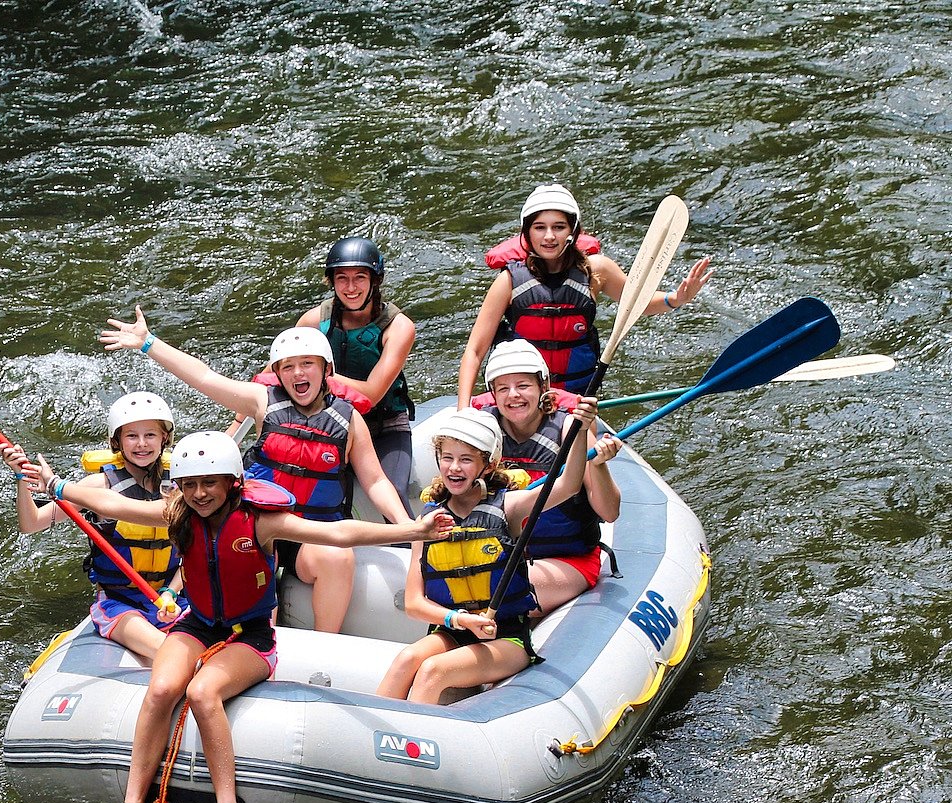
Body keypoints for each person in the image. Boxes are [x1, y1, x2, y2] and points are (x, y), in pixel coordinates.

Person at [24, 430, 453, 803]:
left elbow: (338, 534)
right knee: (160, 690)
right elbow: (118, 505)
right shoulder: (178, 513)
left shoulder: (261, 521)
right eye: (189, 484)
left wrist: (413, 529)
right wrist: (57, 486)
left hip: (250, 636)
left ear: (232, 481)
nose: (199, 493)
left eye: (209, 483)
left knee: (202, 691)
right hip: (198, 625)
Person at [101, 312, 413, 635]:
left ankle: (324, 643)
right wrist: (148, 343)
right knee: (240, 550)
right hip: (259, 526)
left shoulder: (348, 420)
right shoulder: (262, 401)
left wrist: (408, 527)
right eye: (288, 366)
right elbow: (205, 378)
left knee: (338, 557)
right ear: (277, 374)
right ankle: (246, 641)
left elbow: (375, 481)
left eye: (307, 363)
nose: (298, 373)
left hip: (312, 535)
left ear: (326, 370)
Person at [376, 403, 596, 705]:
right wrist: (459, 620)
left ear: (488, 465)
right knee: (406, 659)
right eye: (447, 458)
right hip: (454, 629)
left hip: (507, 637)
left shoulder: (510, 507)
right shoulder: (428, 522)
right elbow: (414, 603)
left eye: (466, 460)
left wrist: (581, 430)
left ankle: (408, 750)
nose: (454, 468)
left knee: (432, 670)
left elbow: (569, 485)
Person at [457, 182, 712, 406]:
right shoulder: (509, 281)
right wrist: (463, 410)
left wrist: (676, 299)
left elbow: (639, 304)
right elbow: (475, 351)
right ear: (527, 233)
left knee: (585, 444)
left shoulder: (596, 270)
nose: (549, 236)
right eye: (539, 227)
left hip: (575, 400)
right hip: (521, 401)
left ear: (573, 231)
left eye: (558, 227)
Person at [0, 392, 183, 662]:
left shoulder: (181, 484)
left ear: (165, 438)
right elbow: (32, 523)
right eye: (131, 436)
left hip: (174, 597)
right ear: (117, 441)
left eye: (150, 435)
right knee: (167, 652)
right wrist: (20, 478)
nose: (141, 444)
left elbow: (195, 550)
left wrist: (172, 591)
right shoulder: (97, 486)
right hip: (122, 603)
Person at [484, 339, 622, 617]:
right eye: (503, 388)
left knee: (506, 584)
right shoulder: (484, 431)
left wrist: (599, 464)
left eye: (523, 386)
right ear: (493, 395)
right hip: (505, 554)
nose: (513, 395)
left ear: (542, 387)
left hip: (568, 558)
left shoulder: (569, 428)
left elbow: (609, 512)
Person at [295, 236, 417, 512]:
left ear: (375, 280)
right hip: (331, 424)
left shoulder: (398, 327)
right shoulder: (313, 322)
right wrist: (236, 424)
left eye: (360, 277)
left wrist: (318, 378)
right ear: (332, 282)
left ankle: (412, 551)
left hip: (384, 426)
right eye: (342, 278)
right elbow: (274, 374)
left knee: (394, 491)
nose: (351, 288)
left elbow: (372, 394)